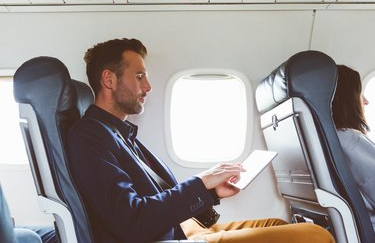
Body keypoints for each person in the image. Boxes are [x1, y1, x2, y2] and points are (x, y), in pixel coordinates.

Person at [67, 38, 335, 243]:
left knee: (277, 224)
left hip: (183, 227)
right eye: (139, 76)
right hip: (168, 237)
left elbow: (156, 196)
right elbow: (131, 220)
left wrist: (210, 191)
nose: (147, 86)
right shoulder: (89, 137)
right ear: (109, 79)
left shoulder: (119, 133)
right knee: (315, 236)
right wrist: (202, 181)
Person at [332, 64, 375, 232]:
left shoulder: (334, 137)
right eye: (359, 93)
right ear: (347, 100)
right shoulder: (351, 139)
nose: (365, 101)